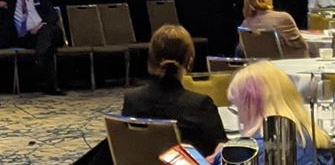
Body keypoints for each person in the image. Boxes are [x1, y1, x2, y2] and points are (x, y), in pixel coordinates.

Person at [75, 24, 227, 165]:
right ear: (190, 61)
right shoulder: (200, 105)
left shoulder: (133, 100)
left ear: (151, 60)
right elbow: (223, 153)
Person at [223, 61, 333, 165]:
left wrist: (223, 154)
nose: (239, 117)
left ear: (251, 105)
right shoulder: (309, 135)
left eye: (238, 105)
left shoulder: (255, 152)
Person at [0, 0, 65, 95]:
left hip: (48, 33)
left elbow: (53, 17)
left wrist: (40, 26)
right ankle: (51, 84)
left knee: (47, 31)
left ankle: (38, 58)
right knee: (48, 48)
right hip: (26, 37)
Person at [240, 0, 308, 58]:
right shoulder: (283, 18)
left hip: (256, 67)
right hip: (283, 67)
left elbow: (241, 51)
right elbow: (301, 46)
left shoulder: (245, 24)